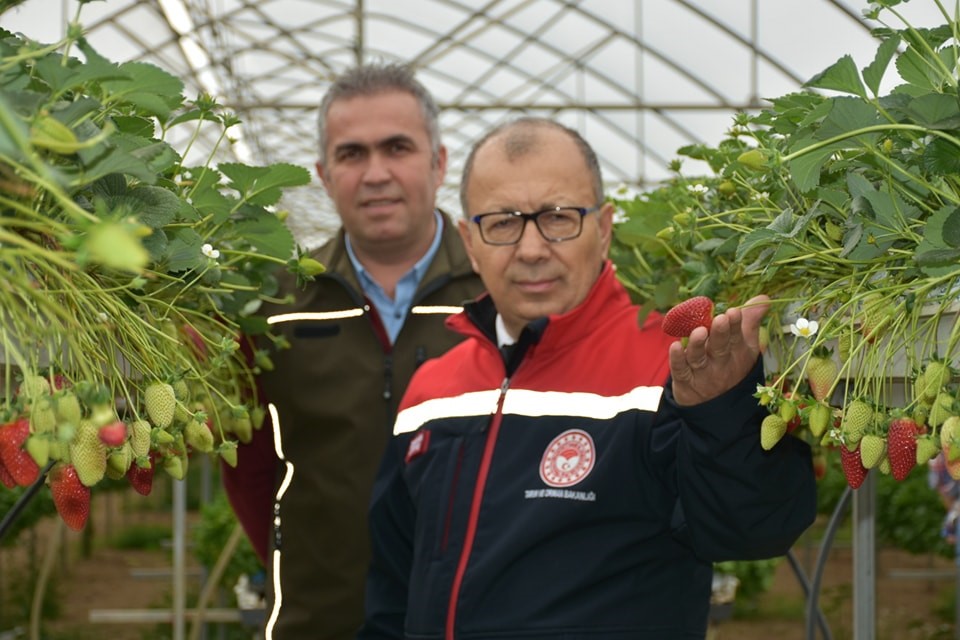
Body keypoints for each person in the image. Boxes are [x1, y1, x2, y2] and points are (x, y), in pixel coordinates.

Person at [358, 117, 817, 639]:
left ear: (603, 229)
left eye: (558, 217)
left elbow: (755, 529)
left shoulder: (675, 365)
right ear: (470, 241)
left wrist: (722, 412)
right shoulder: (433, 390)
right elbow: (392, 586)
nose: (531, 249)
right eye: (503, 223)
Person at [221, 63, 485, 640]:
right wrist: (302, 563)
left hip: (477, 620)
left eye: (398, 148)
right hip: (319, 622)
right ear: (323, 173)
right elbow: (249, 464)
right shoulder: (274, 304)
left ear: (439, 163)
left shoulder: (498, 293)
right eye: (352, 154)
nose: (376, 173)